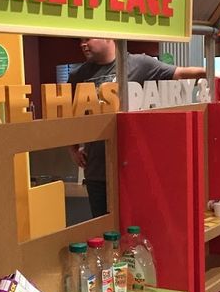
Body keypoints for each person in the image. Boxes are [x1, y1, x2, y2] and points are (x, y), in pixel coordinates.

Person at [67, 38, 206, 218]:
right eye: (81, 40)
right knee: (102, 226)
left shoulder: (139, 64)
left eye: (88, 39)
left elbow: (179, 73)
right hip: (97, 171)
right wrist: (72, 149)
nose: (83, 44)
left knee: (136, 223)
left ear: (108, 37)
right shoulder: (78, 75)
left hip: (133, 167)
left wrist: (211, 73)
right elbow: (70, 116)